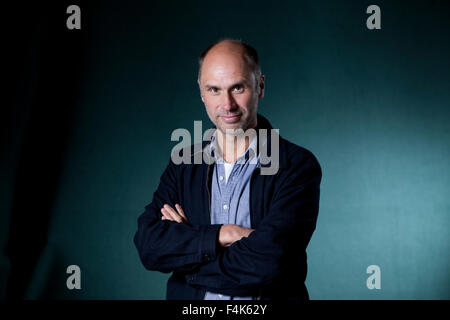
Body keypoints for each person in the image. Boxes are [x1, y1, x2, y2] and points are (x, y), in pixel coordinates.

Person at [134, 39, 322, 301]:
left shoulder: (296, 165)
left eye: (238, 87)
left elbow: (271, 262)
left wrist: (189, 258)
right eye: (214, 90)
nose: (227, 104)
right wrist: (225, 234)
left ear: (260, 86)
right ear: (201, 93)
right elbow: (149, 246)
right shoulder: (183, 162)